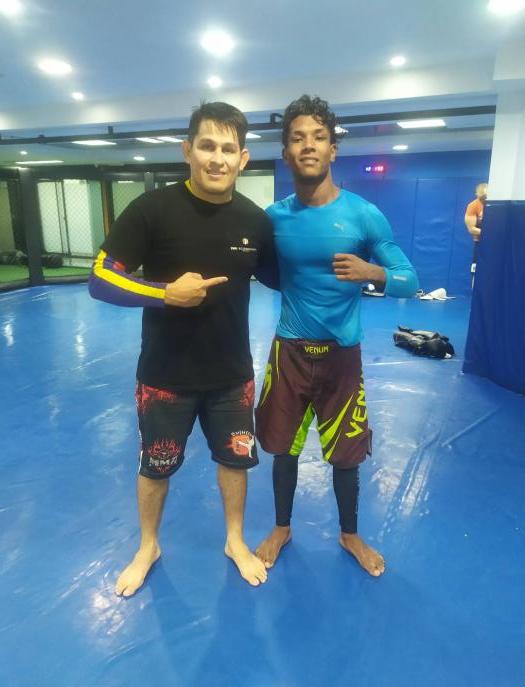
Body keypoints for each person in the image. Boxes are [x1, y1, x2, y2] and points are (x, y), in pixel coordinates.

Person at [89, 101, 279, 595]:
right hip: (165, 375)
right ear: (187, 150)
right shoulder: (152, 210)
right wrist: (164, 293)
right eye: (207, 146)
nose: (217, 158)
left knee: (236, 463)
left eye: (228, 149)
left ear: (243, 158)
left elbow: (283, 277)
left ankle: (234, 540)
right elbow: (100, 278)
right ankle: (148, 545)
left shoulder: (254, 220)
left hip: (231, 375)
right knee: (155, 467)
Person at [254, 95, 418, 577]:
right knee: (282, 447)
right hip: (289, 351)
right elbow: (263, 270)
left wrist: (373, 272)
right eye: (298, 138)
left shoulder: (364, 215)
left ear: (332, 150)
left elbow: (410, 279)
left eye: (318, 137)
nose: (308, 145)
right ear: (286, 153)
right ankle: (281, 527)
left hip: (342, 356)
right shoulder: (273, 218)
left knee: (347, 453)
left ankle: (350, 534)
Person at [464, 183, 488, 284]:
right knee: (476, 270)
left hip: (497, 244)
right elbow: (471, 229)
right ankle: (475, 291)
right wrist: (491, 233)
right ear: (477, 195)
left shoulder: (494, 205)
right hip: (480, 244)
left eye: (486, 197)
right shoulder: (473, 206)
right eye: (482, 197)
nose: (484, 199)